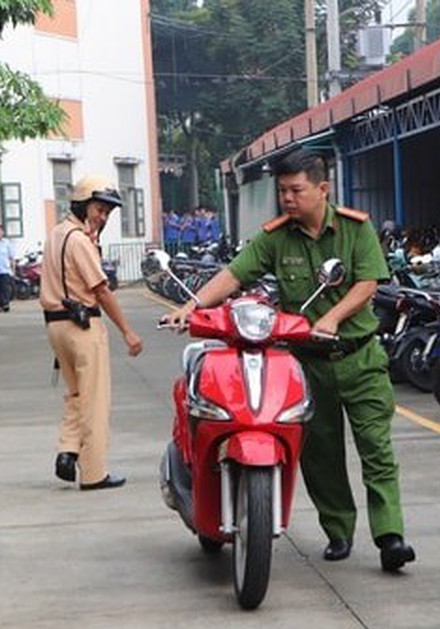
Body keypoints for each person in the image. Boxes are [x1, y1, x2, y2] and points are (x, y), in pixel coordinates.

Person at [164, 149, 416, 572]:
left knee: (376, 448)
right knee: (320, 454)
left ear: (323, 188)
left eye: (296, 190)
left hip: (360, 358)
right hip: (307, 363)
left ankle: (390, 536)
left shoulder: (356, 229)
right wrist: (192, 306)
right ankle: (339, 532)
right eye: (282, 191)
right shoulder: (276, 237)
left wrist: (333, 318)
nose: (287, 198)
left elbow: (367, 282)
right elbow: (235, 273)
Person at [40, 174, 144, 490]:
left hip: (55, 325)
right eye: (99, 209)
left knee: (75, 393)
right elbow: (101, 291)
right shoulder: (80, 241)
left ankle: (67, 451)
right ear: (83, 205)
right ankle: (94, 472)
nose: (103, 217)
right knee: (96, 400)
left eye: (107, 212)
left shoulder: (56, 234)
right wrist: (128, 331)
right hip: (82, 325)